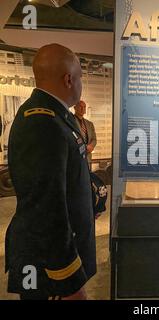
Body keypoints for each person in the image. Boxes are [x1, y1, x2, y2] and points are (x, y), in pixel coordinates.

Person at [5, 43, 96, 300]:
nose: (80, 85)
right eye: (80, 78)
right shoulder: (42, 123)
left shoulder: (57, 116)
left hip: (58, 251)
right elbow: (46, 207)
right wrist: (67, 278)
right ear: (69, 79)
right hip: (48, 262)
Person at [74, 100, 97, 169]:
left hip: (88, 157)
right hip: (76, 157)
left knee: (88, 177)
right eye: (80, 106)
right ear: (75, 108)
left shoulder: (89, 124)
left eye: (84, 107)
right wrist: (84, 147)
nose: (82, 108)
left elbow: (94, 139)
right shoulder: (71, 122)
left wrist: (91, 146)